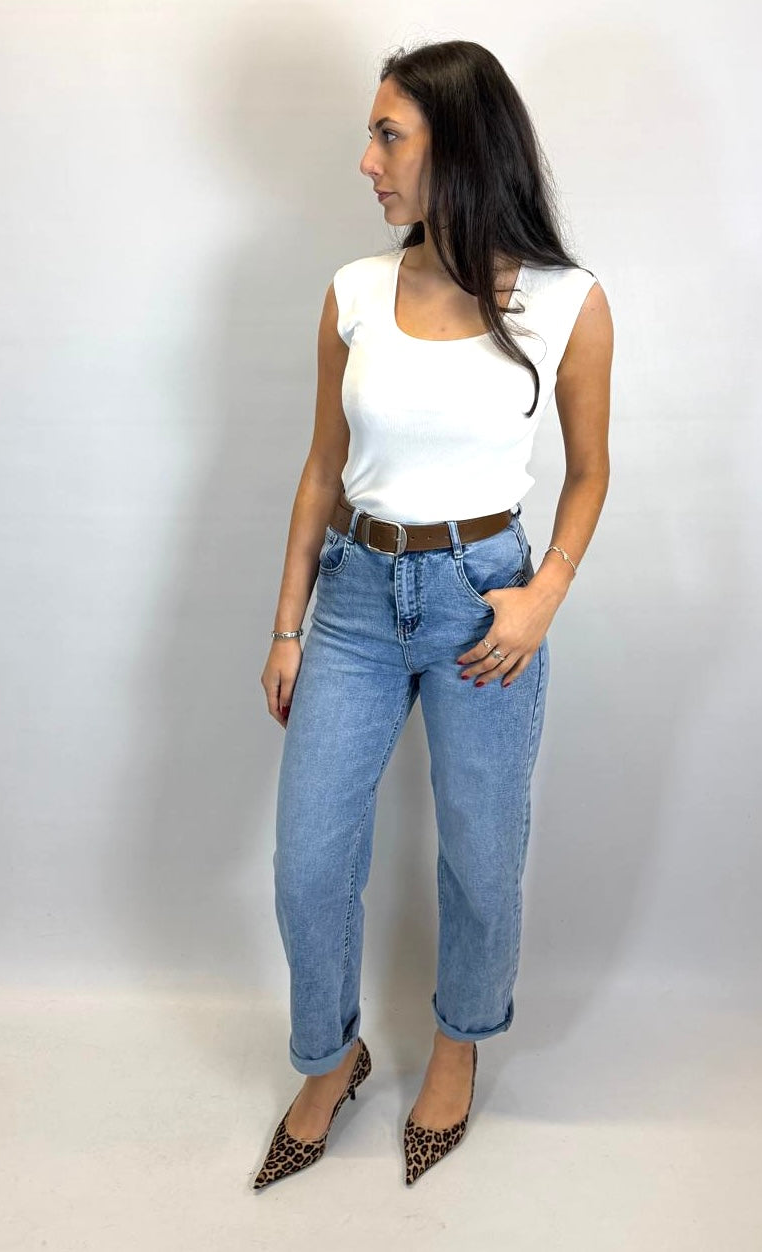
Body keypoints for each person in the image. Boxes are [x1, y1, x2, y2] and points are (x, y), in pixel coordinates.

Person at [252, 39, 613, 1190]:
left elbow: (590, 472)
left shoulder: (565, 302)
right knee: (309, 859)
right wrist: (288, 624)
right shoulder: (354, 292)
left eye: (387, 135)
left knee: (482, 855)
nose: (367, 161)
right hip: (356, 602)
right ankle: (331, 1057)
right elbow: (323, 467)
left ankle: (457, 1043)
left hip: (484, 605)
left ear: (455, 145)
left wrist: (544, 594)